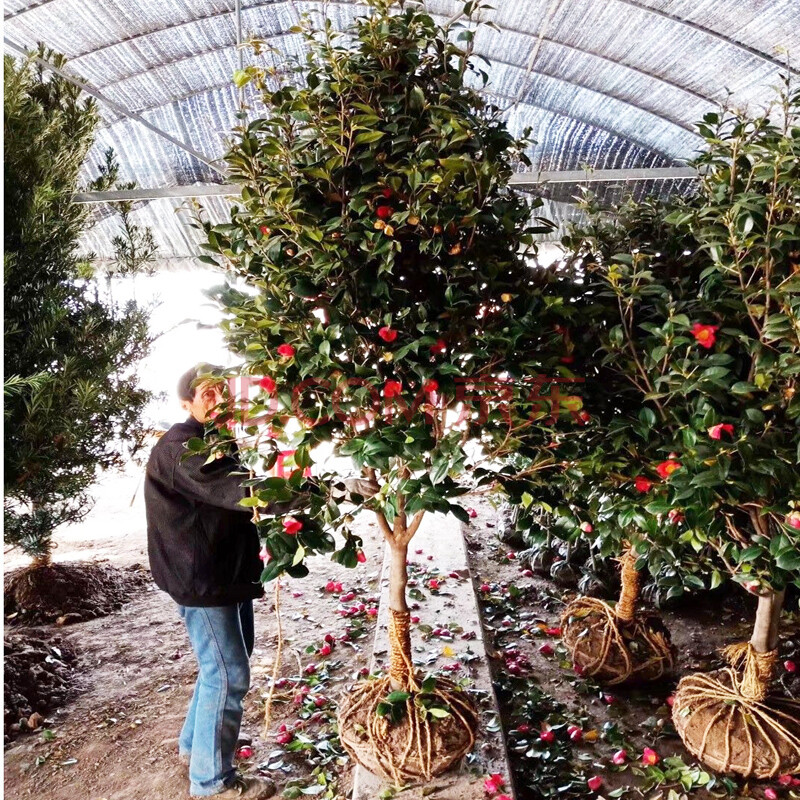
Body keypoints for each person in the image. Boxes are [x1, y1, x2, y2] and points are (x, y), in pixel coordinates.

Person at [145, 364, 376, 799]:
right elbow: (249, 493)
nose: (217, 400)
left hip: (223, 572)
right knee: (228, 674)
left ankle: (196, 748)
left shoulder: (216, 441)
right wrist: (333, 490)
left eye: (221, 392)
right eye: (206, 395)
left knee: (225, 664)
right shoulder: (183, 449)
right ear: (186, 403)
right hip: (201, 579)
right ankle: (212, 783)